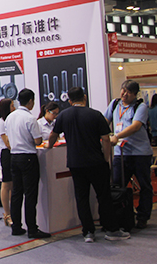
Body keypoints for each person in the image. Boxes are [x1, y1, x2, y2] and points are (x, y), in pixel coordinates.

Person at [47, 87, 130, 242]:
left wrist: (49, 146)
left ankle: (88, 232)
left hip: (75, 163)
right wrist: (106, 158)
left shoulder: (64, 115)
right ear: (84, 97)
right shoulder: (95, 115)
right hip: (96, 162)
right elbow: (106, 139)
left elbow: (53, 135)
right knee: (103, 196)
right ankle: (111, 230)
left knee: (81, 197)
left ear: (70, 101)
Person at [104, 80, 153, 230]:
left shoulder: (141, 106)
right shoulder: (114, 104)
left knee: (144, 186)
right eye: (123, 90)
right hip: (121, 153)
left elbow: (135, 126)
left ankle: (143, 216)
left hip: (140, 153)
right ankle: (122, 217)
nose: (124, 94)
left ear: (135, 94)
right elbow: (105, 121)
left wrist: (117, 136)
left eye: (129, 92)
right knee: (118, 185)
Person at [4, 88, 50, 239]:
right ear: (30, 101)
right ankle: (32, 228)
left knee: (16, 193)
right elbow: (37, 140)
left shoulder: (10, 117)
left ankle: (16, 226)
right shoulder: (30, 119)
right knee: (30, 194)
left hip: (14, 157)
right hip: (28, 158)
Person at [0, 98, 15, 226]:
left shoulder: (10, 120)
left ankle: (14, 212)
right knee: (6, 184)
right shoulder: (1, 122)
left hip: (13, 153)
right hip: (7, 154)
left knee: (14, 185)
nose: (14, 108)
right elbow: (7, 143)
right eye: (12, 106)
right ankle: (7, 214)